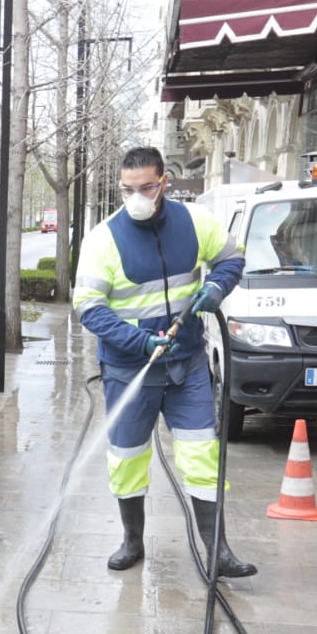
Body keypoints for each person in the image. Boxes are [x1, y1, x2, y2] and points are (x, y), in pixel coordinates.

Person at [75, 147, 256, 578]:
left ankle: (218, 551)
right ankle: (132, 540)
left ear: (164, 183)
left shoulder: (194, 221)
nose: (136, 197)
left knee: (201, 454)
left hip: (186, 365)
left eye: (146, 188)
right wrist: (140, 341)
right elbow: (88, 307)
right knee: (127, 456)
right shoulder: (103, 239)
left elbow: (232, 257)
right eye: (128, 190)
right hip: (129, 370)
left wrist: (217, 287)